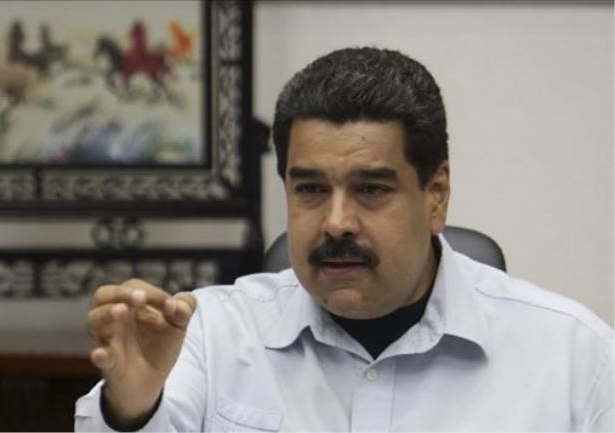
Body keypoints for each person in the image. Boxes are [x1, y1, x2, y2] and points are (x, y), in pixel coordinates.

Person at [75, 47, 613, 431]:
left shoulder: (573, 356)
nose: (336, 223)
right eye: (310, 189)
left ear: (436, 195)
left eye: (371, 190)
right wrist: (133, 409)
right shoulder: (208, 335)